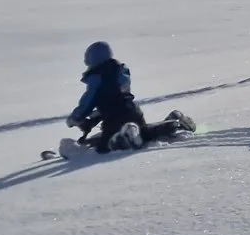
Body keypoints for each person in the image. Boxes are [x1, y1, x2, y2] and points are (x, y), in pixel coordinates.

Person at [67, 41, 196, 154]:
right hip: (133, 111)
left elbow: (89, 101)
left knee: (103, 147)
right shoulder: (119, 72)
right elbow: (115, 99)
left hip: (115, 119)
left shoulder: (96, 78)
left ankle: (123, 137)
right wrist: (97, 115)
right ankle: (173, 122)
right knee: (144, 133)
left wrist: (76, 117)